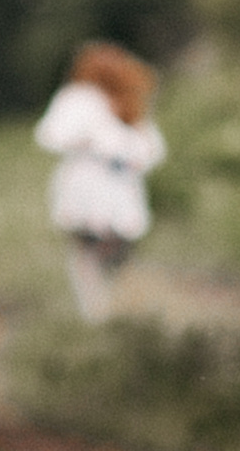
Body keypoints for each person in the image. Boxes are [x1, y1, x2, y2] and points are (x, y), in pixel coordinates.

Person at [34, 41, 167, 322]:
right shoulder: (90, 100)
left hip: (105, 189)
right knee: (100, 252)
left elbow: (50, 135)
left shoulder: (117, 101)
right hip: (102, 189)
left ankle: (101, 312)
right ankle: (102, 313)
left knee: (91, 254)